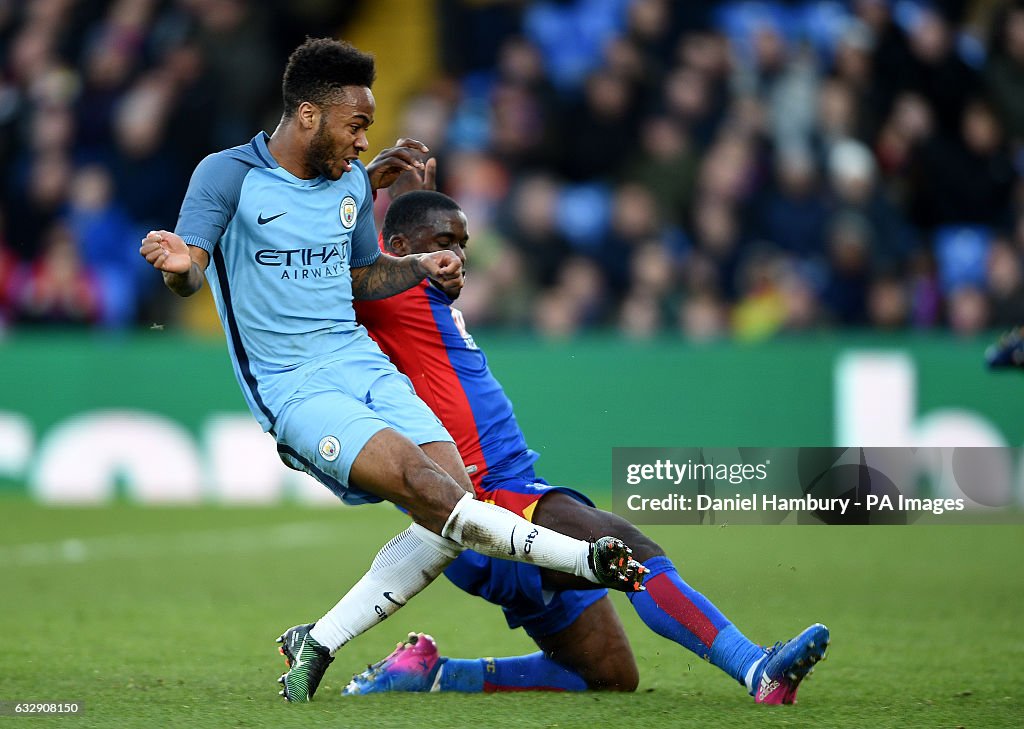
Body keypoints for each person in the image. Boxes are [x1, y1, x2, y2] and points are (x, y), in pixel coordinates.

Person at [137, 37, 647, 704]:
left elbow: (363, 274)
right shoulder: (227, 175)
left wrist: (417, 267)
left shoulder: (350, 181)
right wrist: (181, 273)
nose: (365, 140)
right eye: (357, 123)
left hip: (359, 362)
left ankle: (316, 641)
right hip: (295, 385)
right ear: (311, 116)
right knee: (427, 488)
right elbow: (194, 264)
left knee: (452, 501)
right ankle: (585, 560)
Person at [347, 185, 830, 704]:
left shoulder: (423, 295)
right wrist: (362, 186)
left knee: (606, 672)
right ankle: (757, 668)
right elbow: (334, 263)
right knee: (636, 556)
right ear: (395, 246)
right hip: (489, 502)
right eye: (444, 240)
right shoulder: (381, 294)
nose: (458, 256)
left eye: (463, 243)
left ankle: (433, 673)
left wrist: (408, 202)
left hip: (502, 498)